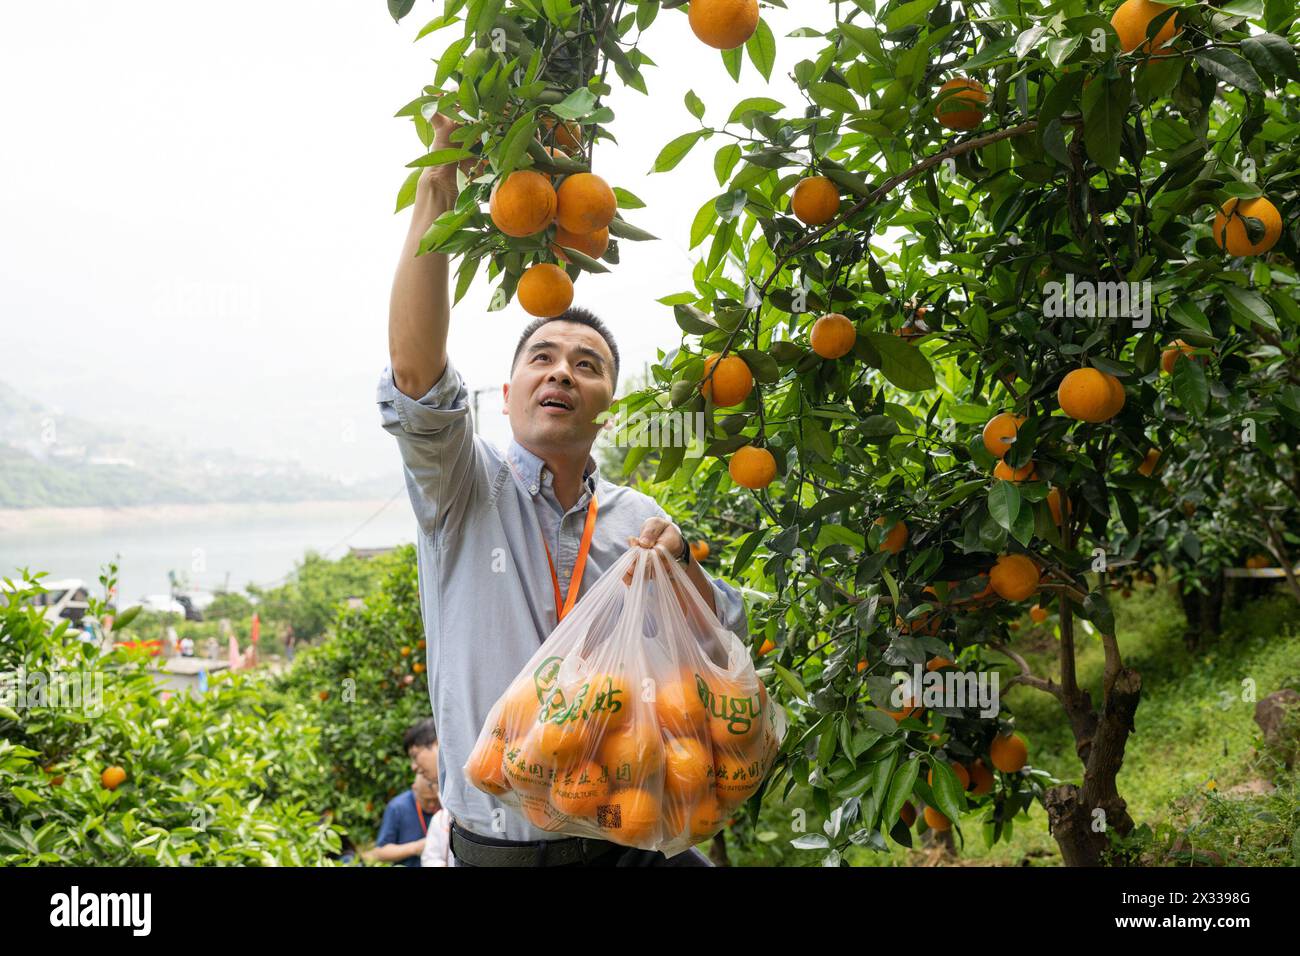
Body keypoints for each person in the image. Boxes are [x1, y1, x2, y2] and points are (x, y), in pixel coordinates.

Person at [377, 111, 750, 868]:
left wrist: (686, 569)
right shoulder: (463, 490)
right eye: (541, 357)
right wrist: (436, 187)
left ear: (608, 399)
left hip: (630, 826)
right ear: (508, 390)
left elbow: (724, 637)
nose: (561, 372)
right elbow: (416, 378)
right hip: (504, 842)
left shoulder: (640, 522)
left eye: (587, 364)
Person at [363, 773, 438, 867]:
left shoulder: (445, 805)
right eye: (426, 800)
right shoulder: (397, 807)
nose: (432, 805)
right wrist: (416, 847)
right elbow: (380, 852)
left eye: (435, 800)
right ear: (414, 789)